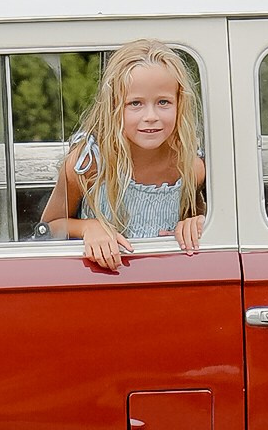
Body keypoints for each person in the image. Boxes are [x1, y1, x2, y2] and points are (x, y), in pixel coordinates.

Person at [43, 41, 207, 264]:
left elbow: (207, 223)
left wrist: (196, 223)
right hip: (103, 283)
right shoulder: (89, 165)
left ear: (180, 103)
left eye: (163, 102)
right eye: (135, 103)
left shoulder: (189, 167)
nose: (151, 116)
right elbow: (48, 227)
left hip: (165, 284)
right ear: (113, 106)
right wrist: (88, 227)